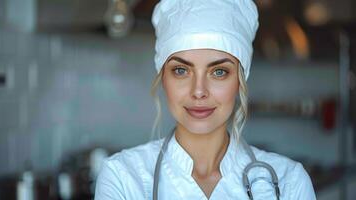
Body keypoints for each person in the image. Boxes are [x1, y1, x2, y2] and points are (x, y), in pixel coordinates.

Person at [94, 0, 317, 199]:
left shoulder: (289, 182)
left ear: (240, 81)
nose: (198, 91)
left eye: (219, 72)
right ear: (163, 78)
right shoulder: (123, 178)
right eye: (181, 70)